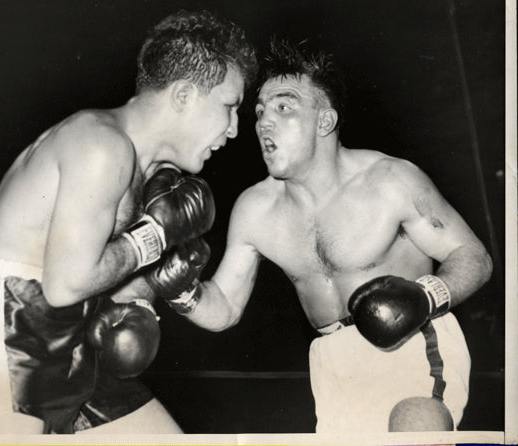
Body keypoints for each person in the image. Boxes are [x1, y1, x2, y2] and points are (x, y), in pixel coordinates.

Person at [146, 39, 493, 433]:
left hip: (412, 342)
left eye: (283, 107)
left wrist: (425, 296)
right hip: (333, 365)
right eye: (260, 112)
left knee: (416, 423)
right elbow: (224, 306)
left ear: (324, 122)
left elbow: (473, 257)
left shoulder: (390, 181)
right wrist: (182, 292)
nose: (263, 122)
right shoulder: (256, 209)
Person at [0, 10, 257, 435]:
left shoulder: (152, 176)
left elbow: (111, 275)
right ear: (184, 96)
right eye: (229, 107)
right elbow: (65, 284)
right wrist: (154, 238)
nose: (235, 129)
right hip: (15, 328)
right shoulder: (101, 145)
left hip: (78, 333)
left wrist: (157, 290)